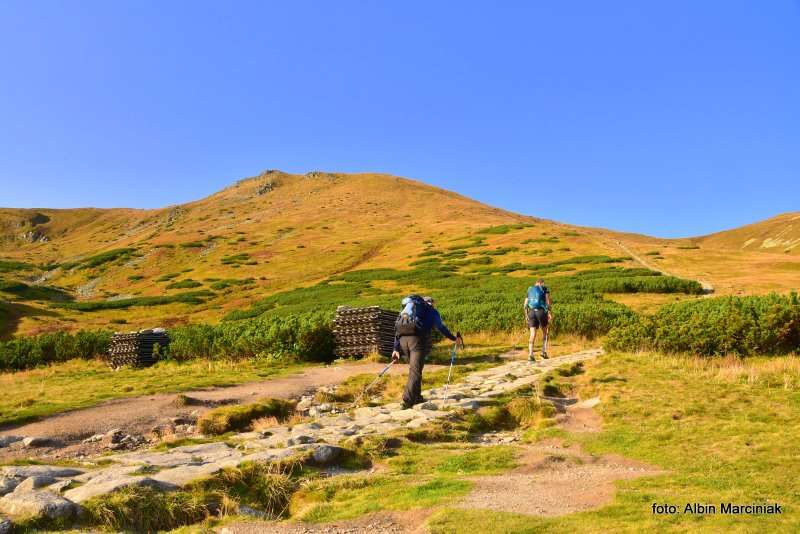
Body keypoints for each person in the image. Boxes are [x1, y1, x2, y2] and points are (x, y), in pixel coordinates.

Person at [392, 296, 463, 409]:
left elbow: (397, 329)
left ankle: (417, 397)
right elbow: (441, 327)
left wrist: (396, 349)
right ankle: (407, 400)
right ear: (431, 303)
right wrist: (454, 338)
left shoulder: (407, 311)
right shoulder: (431, 311)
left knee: (416, 369)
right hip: (417, 341)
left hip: (402, 341)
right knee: (415, 371)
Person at [524, 278, 552, 361]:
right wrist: (549, 312)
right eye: (543, 283)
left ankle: (530, 355)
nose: (543, 285)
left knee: (532, 334)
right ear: (541, 283)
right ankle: (543, 352)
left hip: (531, 312)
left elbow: (525, 304)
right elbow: (547, 302)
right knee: (545, 332)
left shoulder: (529, 290)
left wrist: (526, 315)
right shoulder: (544, 289)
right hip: (541, 312)